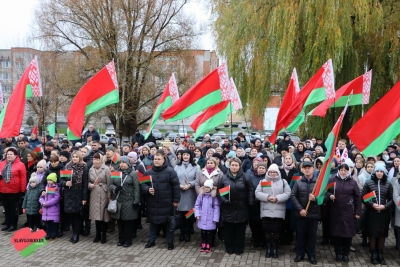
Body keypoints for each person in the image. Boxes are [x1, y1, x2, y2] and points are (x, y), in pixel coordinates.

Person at [141, 151, 180, 250]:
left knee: (168, 223)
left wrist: (176, 200)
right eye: (155, 159)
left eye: (159, 159)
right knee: (153, 222)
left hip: (167, 202)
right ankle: (151, 240)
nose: (156, 161)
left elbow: (176, 187)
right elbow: (143, 185)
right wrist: (147, 189)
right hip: (153, 202)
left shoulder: (171, 171)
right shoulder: (148, 172)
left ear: (163, 160)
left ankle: (170, 242)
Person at [218, 157, 254, 255]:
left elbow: (250, 190)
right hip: (228, 207)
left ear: (239, 166)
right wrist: (224, 200)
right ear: (229, 166)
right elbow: (219, 191)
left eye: (236, 165)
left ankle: (239, 248)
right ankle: (229, 247)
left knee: (240, 230)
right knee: (228, 230)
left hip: (242, 207)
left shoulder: (245, 177)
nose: (234, 167)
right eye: (232, 165)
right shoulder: (224, 177)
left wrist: (250, 202)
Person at [326, 164, 361, 263]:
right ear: (338, 170)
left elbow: (358, 197)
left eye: (345, 170)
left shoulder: (353, 182)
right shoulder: (332, 180)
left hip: (349, 212)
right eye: (341, 170)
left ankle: (345, 254)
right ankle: (338, 253)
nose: (343, 172)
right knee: (337, 234)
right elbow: (325, 191)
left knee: (347, 234)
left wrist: (358, 211)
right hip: (335, 211)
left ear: (348, 171)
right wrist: (329, 195)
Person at [255, 163, 291, 258]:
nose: (272, 173)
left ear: (278, 172)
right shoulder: (263, 181)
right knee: (267, 230)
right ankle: (268, 248)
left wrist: (277, 198)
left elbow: (288, 193)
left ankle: (275, 249)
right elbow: (257, 193)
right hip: (266, 210)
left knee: (276, 231)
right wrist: (267, 197)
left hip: (278, 211)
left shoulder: (283, 182)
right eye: (270, 172)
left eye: (274, 172)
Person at [362, 163, 393, 265]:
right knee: (372, 233)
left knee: (382, 234)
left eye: (381, 172)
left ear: (384, 173)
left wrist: (385, 206)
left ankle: (380, 253)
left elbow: (392, 199)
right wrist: (372, 204)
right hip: (372, 213)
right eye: (377, 172)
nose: (379, 173)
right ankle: (373, 254)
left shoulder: (388, 184)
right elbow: (364, 197)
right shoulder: (369, 183)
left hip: (384, 213)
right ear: (374, 173)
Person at [291, 161, 321, 264]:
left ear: (313, 169)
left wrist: (316, 198)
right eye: (305, 168)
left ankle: (311, 255)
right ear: (302, 169)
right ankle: (300, 254)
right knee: (300, 236)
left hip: (313, 214)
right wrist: (300, 209)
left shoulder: (318, 183)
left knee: (312, 237)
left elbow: (325, 196)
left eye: (309, 167)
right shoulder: (298, 182)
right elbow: (293, 196)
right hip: (301, 214)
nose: (307, 169)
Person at [109, 156, 140, 248]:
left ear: (128, 163)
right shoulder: (116, 172)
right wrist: (115, 188)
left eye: (123, 162)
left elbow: (136, 188)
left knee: (128, 223)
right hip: (119, 201)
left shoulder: (133, 174)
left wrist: (136, 201)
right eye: (120, 162)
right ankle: (121, 239)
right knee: (120, 222)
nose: (121, 164)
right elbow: (110, 185)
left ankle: (128, 240)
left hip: (129, 201)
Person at [60, 151, 88, 244]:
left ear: (80, 158)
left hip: (78, 193)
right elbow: (61, 179)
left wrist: (84, 198)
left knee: (77, 215)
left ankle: (76, 234)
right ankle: (74, 232)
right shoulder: (67, 166)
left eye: (77, 157)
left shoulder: (84, 167)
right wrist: (65, 183)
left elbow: (85, 184)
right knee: (70, 214)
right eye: (73, 156)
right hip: (69, 194)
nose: (75, 158)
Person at [174, 150, 199, 242]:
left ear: (190, 156)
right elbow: (174, 178)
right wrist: (179, 185)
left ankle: (188, 233)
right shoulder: (177, 166)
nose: (185, 156)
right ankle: (182, 232)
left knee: (189, 216)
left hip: (190, 194)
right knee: (181, 215)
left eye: (187, 155)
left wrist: (190, 185)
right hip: (180, 193)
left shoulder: (195, 167)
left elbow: (197, 179)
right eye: (184, 155)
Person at [0, 147, 27, 231]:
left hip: (14, 190)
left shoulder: (20, 164)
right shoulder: (2, 163)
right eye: (8, 154)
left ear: (16, 155)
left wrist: (22, 190)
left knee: (13, 208)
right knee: (6, 208)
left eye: (11, 154)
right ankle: (7, 223)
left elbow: (23, 178)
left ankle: (13, 224)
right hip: (3, 189)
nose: (9, 156)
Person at [88, 153, 111, 244]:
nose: (96, 161)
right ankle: (97, 234)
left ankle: (104, 235)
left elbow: (109, 183)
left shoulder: (106, 169)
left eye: (97, 159)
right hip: (94, 193)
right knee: (96, 216)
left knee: (103, 215)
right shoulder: (91, 169)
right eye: (94, 159)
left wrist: (109, 196)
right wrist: (90, 185)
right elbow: (88, 181)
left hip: (103, 192)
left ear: (101, 160)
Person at [195, 179, 220, 253]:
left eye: (208, 187)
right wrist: (197, 214)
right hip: (202, 217)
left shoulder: (214, 197)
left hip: (210, 218)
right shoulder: (201, 195)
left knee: (209, 232)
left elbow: (216, 208)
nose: (206, 188)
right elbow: (197, 205)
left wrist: (215, 218)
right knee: (203, 232)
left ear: (211, 188)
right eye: (205, 187)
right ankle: (203, 244)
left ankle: (208, 244)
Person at [279, 153, 299, 245]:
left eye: (289, 158)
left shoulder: (296, 171)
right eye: (286, 158)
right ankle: (282, 236)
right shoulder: (279, 170)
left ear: (292, 160)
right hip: (281, 196)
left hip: (292, 197)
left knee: (290, 217)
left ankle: (290, 236)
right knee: (282, 217)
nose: (287, 160)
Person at [248, 162, 268, 248]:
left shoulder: (267, 179)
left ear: (266, 169)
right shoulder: (251, 177)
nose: (261, 169)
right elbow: (249, 190)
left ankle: (264, 240)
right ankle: (256, 240)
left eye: (263, 168)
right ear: (257, 168)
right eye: (260, 168)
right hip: (254, 203)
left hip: (264, 203)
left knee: (263, 222)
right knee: (254, 223)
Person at [40, 173, 61, 240]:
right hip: (46, 210)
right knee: (47, 223)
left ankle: (54, 234)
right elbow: (41, 197)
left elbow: (56, 198)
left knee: (53, 223)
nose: (49, 181)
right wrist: (42, 202)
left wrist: (47, 203)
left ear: (54, 181)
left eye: (50, 180)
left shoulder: (56, 188)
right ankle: (48, 234)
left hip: (53, 209)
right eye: (48, 180)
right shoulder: (45, 188)